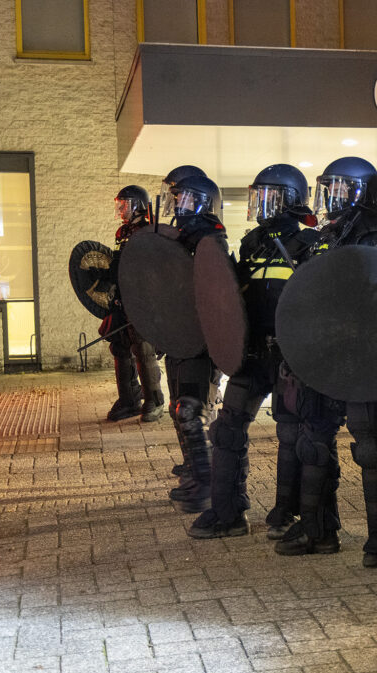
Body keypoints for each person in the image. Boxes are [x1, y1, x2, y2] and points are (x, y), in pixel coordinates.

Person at [273, 156, 377, 566]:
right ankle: (319, 529)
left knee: (369, 446)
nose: (332, 196)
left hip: (365, 355)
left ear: (363, 190)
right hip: (323, 353)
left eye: (341, 188)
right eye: (328, 187)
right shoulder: (327, 234)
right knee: (314, 438)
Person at [188, 164, 320, 539]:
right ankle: (227, 513)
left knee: (292, 434)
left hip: (290, 357)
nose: (260, 205)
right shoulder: (251, 243)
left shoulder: (309, 245)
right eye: (257, 196)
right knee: (227, 430)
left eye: (269, 197)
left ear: (290, 201)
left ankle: (287, 514)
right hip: (251, 355)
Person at [157, 172, 227, 514]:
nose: (177, 204)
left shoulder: (211, 240)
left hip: (201, 340)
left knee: (191, 410)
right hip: (177, 338)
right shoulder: (178, 238)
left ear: (201, 201)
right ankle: (194, 473)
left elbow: (213, 293)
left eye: (184, 198)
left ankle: (206, 484)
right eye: (175, 198)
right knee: (179, 410)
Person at [102, 185, 165, 422]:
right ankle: (129, 399)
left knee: (143, 347)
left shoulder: (149, 231)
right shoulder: (123, 232)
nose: (120, 209)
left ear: (138, 205)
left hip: (143, 300)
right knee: (119, 345)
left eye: (124, 204)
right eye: (119, 204)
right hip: (122, 298)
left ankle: (154, 400)